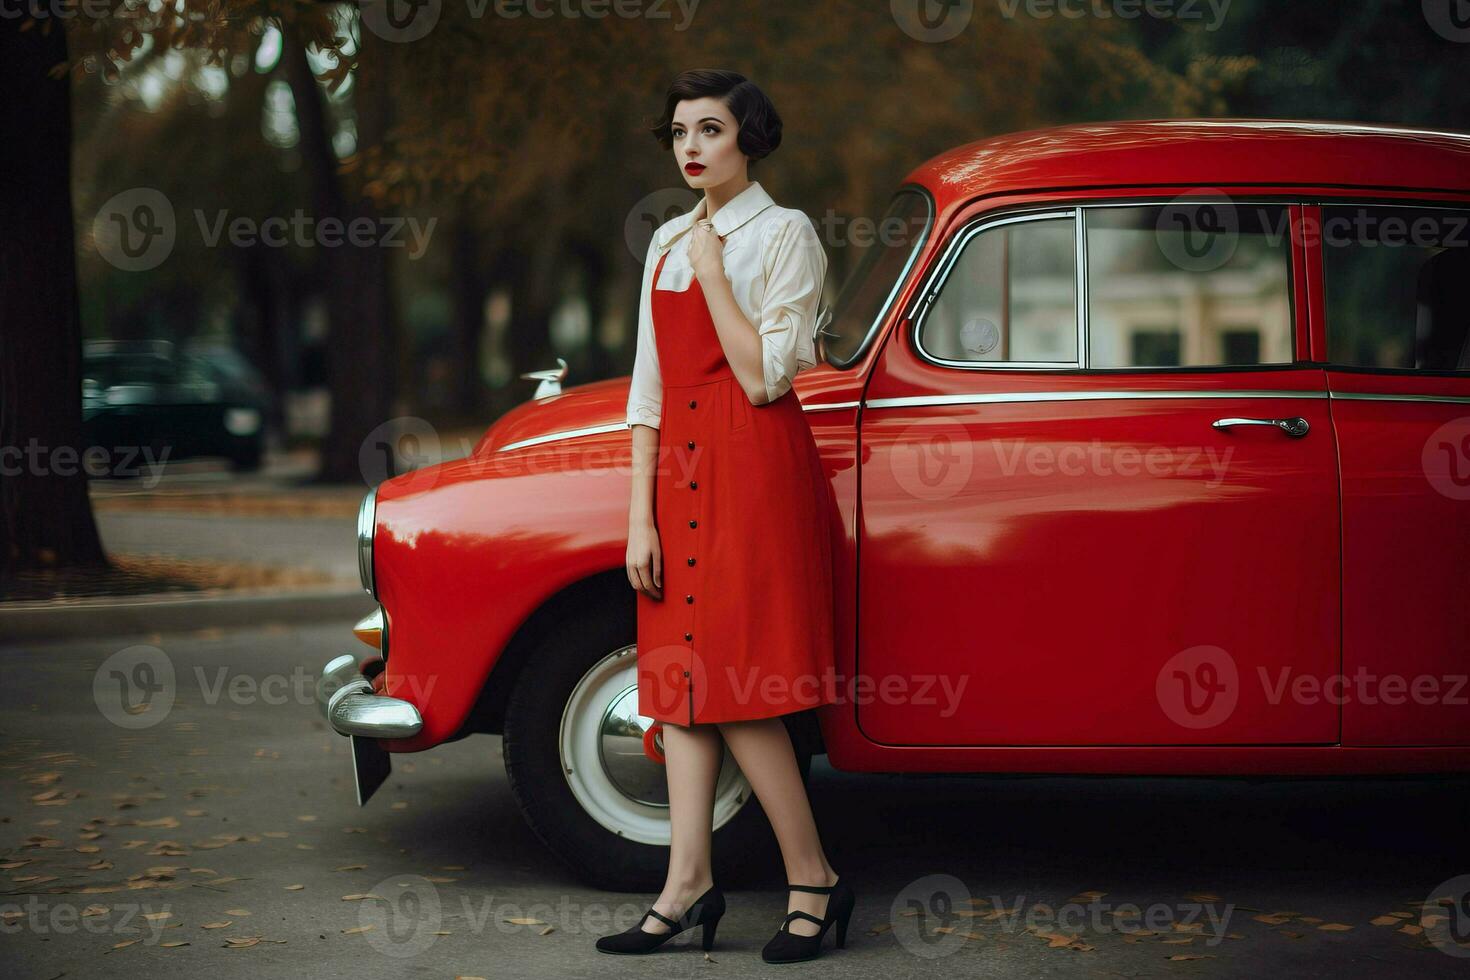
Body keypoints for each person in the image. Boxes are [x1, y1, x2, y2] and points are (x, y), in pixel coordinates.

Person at [597, 69, 854, 964]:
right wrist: (641, 518)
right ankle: (688, 884)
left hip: (755, 475)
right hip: (680, 478)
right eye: (678, 133)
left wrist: (714, 278)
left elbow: (763, 377)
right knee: (683, 690)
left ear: (749, 138)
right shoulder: (665, 238)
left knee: (742, 688)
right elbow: (646, 393)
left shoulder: (786, 236)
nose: (691, 147)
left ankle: (813, 878)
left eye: (710, 129)